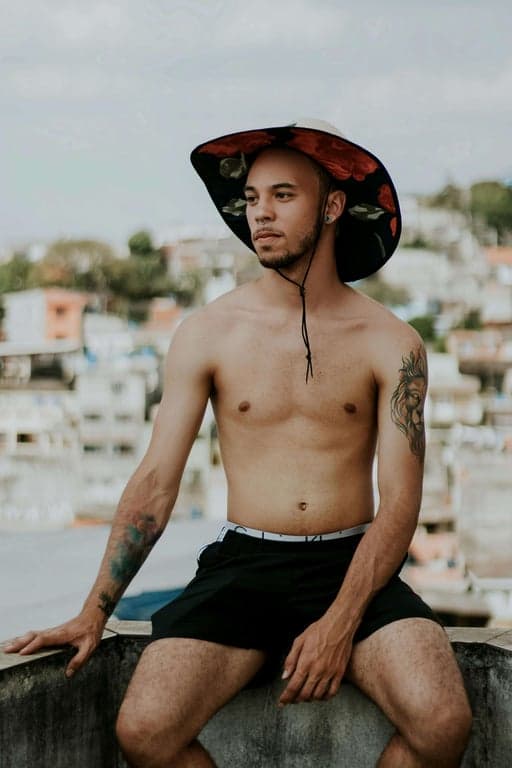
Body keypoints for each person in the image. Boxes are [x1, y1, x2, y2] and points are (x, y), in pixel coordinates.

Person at [4, 120, 472, 767]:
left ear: (333, 206)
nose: (261, 214)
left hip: (353, 563)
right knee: (144, 730)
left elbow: (400, 502)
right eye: (251, 198)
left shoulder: (391, 341)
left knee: (443, 722)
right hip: (246, 564)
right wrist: (94, 611)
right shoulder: (208, 332)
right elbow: (156, 483)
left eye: (283, 195)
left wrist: (339, 623)